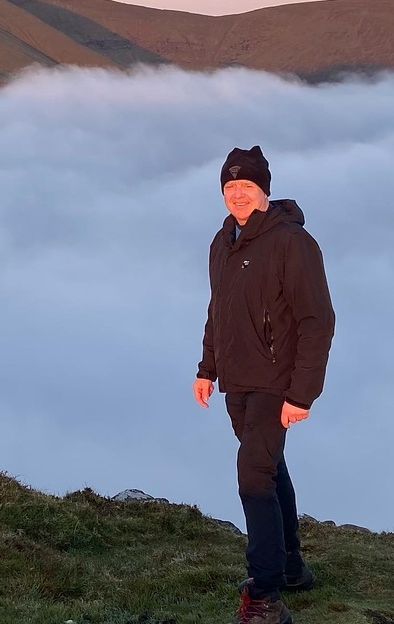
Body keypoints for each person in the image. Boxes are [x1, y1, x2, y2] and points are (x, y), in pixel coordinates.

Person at [193, 146, 335, 624]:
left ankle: (267, 597)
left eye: (247, 187)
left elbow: (318, 321)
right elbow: (219, 310)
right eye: (230, 187)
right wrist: (207, 368)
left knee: (253, 477)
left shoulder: (291, 242)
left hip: (277, 380)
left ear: (265, 192)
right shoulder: (223, 242)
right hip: (238, 380)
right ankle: (292, 567)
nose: (237, 194)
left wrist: (301, 394)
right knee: (270, 468)